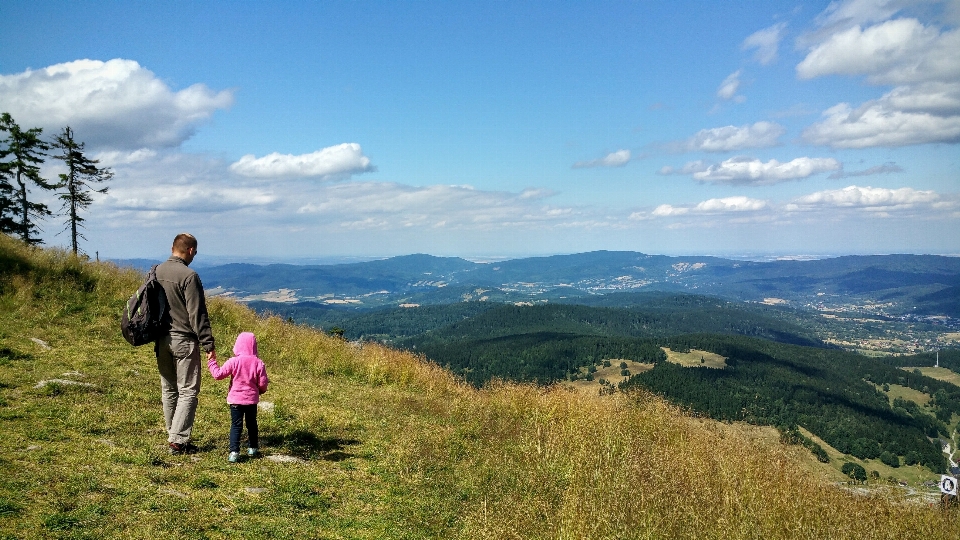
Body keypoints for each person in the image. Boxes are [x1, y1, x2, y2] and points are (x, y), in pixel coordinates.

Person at [155, 233, 216, 454]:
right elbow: (197, 314)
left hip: (161, 340)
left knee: (169, 389)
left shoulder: (156, 271)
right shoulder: (189, 276)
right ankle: (178, 441)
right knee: (188, 390)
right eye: (195, 252)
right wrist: (208, 343)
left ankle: (174, 434)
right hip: (184, 341)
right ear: (190, 250)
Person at [208, 332, 269, 462]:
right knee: (252, 424)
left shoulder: (234, 361)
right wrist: (260, 391)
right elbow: (263, 383)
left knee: (236, 425)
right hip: (251, 401)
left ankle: (234, 452)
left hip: (235, 401)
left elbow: (218, 375)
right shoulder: (258, 363)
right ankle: (253, 448)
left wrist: (211, 361)